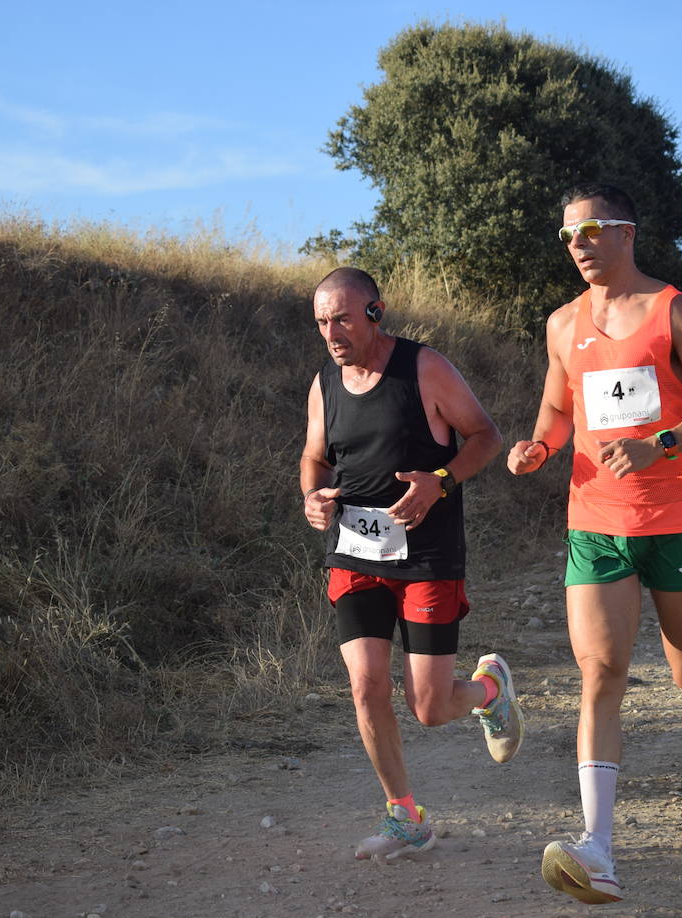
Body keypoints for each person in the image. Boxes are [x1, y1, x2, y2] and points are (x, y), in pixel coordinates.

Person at [507, 183, 682, 906]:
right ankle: (597, 848)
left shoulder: (673, 311)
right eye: (568, 235)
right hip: (594, 521)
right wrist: (537, 447)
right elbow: (557, 409)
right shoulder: (563, 324)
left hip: (672, 518)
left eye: (592, 229)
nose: (579, 244)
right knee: (601, 672)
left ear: (626, 233)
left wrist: (660, 444)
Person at [300, 267, 523, 861]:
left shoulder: (425, 369)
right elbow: (314, 457)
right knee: (366, 685)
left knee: (429, 706)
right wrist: (312, 496)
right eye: (321, 322)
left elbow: (485, 436)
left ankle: (489, 690)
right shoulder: (325, 383)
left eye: (342, 319)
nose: (331, 334)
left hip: (427, 554)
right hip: (355, 552)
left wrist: (440, 480)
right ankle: (405, 816)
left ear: (375, 313)